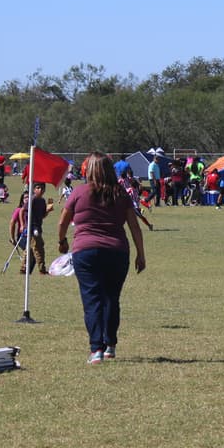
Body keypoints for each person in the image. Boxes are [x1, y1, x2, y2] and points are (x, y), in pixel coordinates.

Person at [57, 152, 146, 365]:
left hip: (86, 252)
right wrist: (141, 254)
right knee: (111, 299)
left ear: (89, 170)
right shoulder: (121, 194)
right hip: (117, 251)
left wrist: (61, 241)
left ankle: (96, 349)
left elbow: (62, 222)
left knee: (92, 300)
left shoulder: (79, 192)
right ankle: (110, 346)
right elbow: (135, 226)